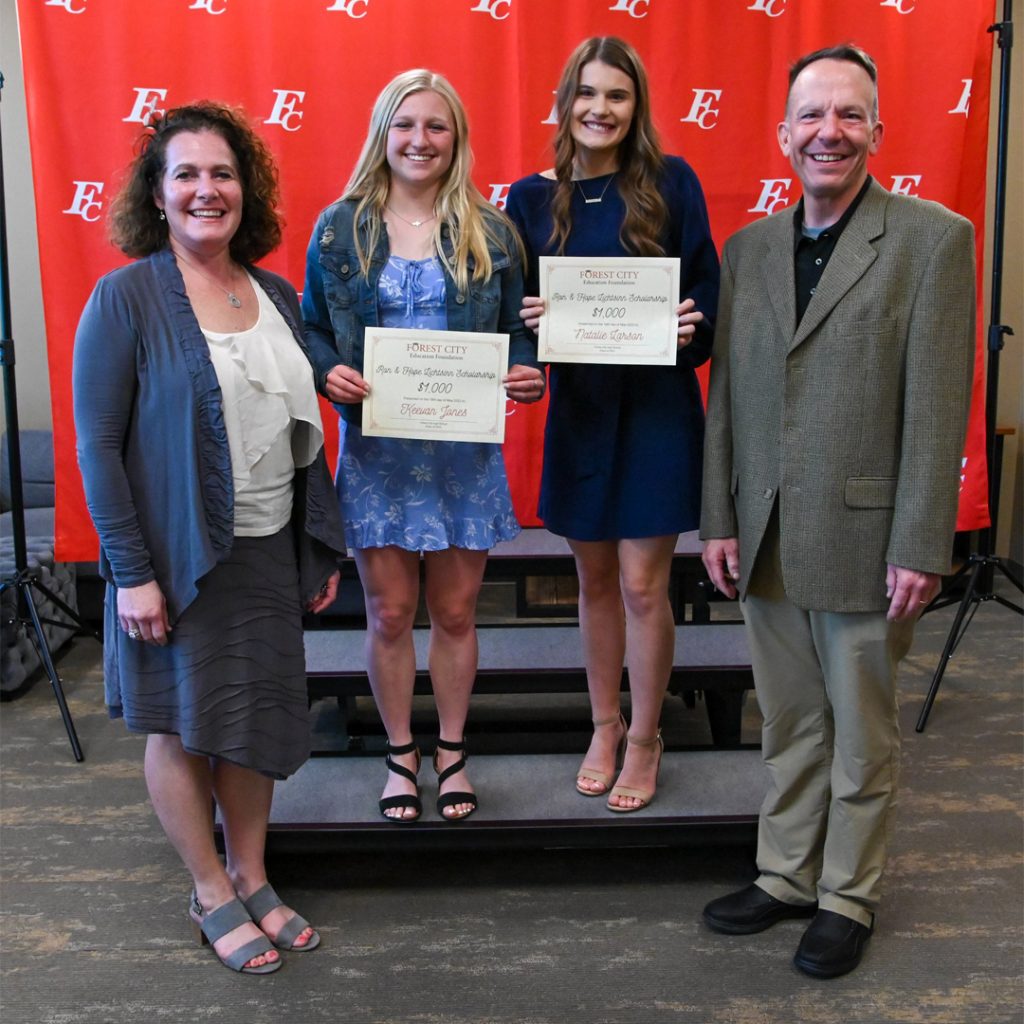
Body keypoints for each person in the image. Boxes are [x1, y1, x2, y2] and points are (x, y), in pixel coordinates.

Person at [699, 45, 976, 978]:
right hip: (764, 533)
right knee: (788, 722)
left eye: (849, 115)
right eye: (812, 116)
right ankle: (785, 875)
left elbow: (939, 407)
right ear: (784, 137)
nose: (830, 132)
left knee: (862, 732)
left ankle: (847, 894)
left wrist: (921, 542)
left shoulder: (934, 240)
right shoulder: (747, 251)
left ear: (877, 133)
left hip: (868, 537)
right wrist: (719, 518)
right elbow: (729, 398)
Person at [73, 102, 346, 975]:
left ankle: (252, 872)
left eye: (222, 173)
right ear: (157, 194)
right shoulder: (124, 298)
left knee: (256, 722)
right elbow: (98, 447)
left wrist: (312, 544)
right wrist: (132, 574)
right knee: (184, 726)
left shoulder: (273, 293)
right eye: (186, 173)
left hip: (266, 548)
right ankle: (209, 889)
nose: (206, 189)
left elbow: (294, 430)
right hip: (176, 559)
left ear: (245, 189)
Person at [301, 70, 545, 823]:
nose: (420, 140)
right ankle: (401, 754)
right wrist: (326, 369)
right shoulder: (339, 228)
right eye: (406, 125)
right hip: (377, 452)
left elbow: (518, 328)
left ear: (456, 139)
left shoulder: (494, 230)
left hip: (462, 453)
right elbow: (310, 324)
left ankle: (454, 750)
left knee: (460, 612)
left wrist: (527, 368)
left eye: (436, 126)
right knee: (389, 612)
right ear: (383, 132)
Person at [505, 37, 719, 812]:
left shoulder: (672, 182)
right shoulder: (529, 200)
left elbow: (707, 291)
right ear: (565, 104)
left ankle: (645, 736)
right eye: (587, 94)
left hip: (657, 412)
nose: (601, 109)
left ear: (637, 108)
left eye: (617, 96)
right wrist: (526, 339)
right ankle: (604, 723)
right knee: (592, 580)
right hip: (583, 415)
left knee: (641, 582)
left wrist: (695, 325)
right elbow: (514, 318)